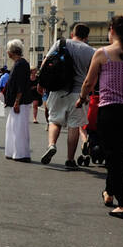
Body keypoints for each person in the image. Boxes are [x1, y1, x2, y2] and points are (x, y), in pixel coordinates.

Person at [78, 16, 123, 218]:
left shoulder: (102, 53)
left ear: (111, 30)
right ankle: (109, 192)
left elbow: (88, 83)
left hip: (110, 110)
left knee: (115, 157)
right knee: (117, 153)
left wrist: (82, 98)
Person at [39, 24, 96, 169]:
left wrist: (42, 82)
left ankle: (52, 145)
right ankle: (70, 159)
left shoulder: (61, 43)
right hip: (78, 93)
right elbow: (92, 76)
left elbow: (46, 61)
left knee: (54, 121)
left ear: (72, 33)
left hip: (57, 90)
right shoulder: (91, 51)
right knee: (74, 126)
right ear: (86, 37)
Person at [2, 40, 33, 161]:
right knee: (13, 127)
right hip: (19, 101)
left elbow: (20, 85)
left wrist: (17, 102)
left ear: (11, 51)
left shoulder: (20, 64)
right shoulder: (19, 63)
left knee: (19, 128)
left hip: (21, 101)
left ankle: (21, 153)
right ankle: (14, 152)